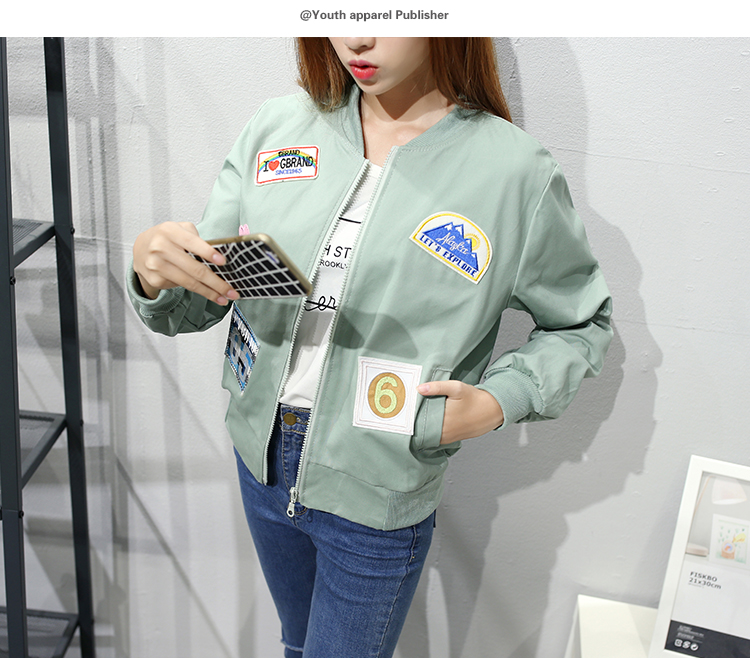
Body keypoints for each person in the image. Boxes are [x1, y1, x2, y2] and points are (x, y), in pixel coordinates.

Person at [128, 37, 612, 658]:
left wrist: (499, 401)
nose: (357, 35)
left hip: (380, 486)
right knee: (297, 644)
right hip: (262, 460)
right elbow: (206, 294)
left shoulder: (515, 174)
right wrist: (155, 273)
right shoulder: (277, 128)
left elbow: (582, 323)